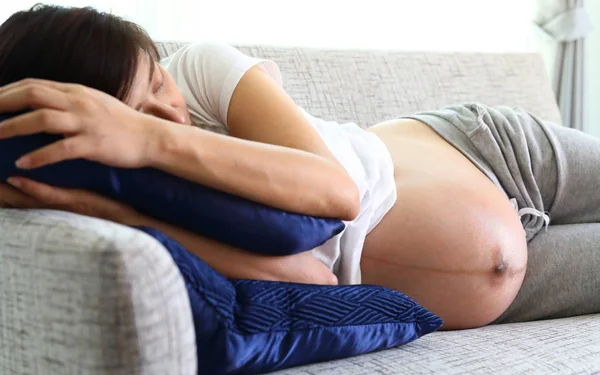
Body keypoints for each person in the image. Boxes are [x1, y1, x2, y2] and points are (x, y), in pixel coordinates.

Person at [0, 5, 598, 331]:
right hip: (516, 286)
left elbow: (334, 192)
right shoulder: (147, 201)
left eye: (158, 80)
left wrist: (144, 134)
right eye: (137, 109)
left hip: (490, 152)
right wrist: (121, 212)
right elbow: (313, 284)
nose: (166, 110)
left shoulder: (203, 75)